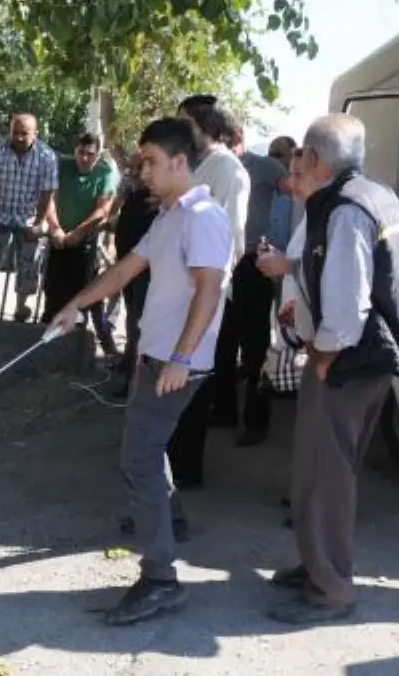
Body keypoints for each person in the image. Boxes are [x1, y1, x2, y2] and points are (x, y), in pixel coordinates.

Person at [47, 117, 232, 626]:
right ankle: (168, 527)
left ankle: (160, 580)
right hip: (158, 357)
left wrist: (181, 358)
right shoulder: (171, 215)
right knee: (148, 455)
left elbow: (209, 291)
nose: (142, 171)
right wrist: (76, 305)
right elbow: (126, 269)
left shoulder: (203, 217)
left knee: (139, 460)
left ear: (179, 161)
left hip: (176, 364)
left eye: (150, 161)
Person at [260, 114, 399, 625]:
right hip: (373, 360)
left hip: (348, 362)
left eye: (302, 154)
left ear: (316, 159)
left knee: (325, 477)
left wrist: (324, 356)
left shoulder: (346, 211)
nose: (295, 164)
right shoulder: (377, 195)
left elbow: (347, 305)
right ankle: (318, 564)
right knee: (329, 472)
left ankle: (331, 589)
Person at [163, 95, 250, 493]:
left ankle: (186, 468)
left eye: (187, 124)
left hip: (204, 291)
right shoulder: (202, 166)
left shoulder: (228, 170)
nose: (181, 131)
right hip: (181, 287)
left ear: (206, 127)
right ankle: (171, 460)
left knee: (193, 378)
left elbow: (230, 238)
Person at [211, 125, 289, 446]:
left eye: (228, 141)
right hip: (223, 261)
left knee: (255, 346)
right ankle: (225, 410)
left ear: (238, 138)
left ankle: (256, 421)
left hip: (254, 264)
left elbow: (294, 198)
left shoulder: (267, 167)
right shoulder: (216, 168)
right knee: (222, 341)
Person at [0, 113, 60, 321]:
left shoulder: (46, 156)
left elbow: (48, 192)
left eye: (24, 133)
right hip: (0, 211)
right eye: (15, 133)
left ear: (35, 134)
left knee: (29, 262)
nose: (19, 138)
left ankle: (21, 307)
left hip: (28, 215)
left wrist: (38, 223)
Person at [41, 132, 120, 356]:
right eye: (81, 153)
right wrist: (55, 227)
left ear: (98, 155)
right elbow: (49, 198)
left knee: (82, 294)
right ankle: (47, 335)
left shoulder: (105, 172)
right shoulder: (61, 165)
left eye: (90, 154)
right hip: (59, 239)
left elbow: (103, 209)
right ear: (75, 150)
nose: (84, 159)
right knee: (52, 287)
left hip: (85, 242)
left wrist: (79, 232)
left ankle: (85, 345)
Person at [110, 152, 161, 399]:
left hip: (144, 272)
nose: (132, 174)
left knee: (137, 325)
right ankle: (129, 369)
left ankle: (134, 380)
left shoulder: (156, 202)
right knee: (132, 322)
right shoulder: (134, 196)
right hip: (128, 269)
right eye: (130, 169)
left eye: (136, 169)